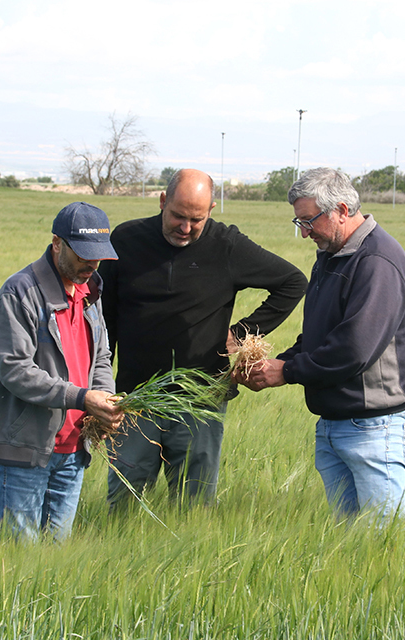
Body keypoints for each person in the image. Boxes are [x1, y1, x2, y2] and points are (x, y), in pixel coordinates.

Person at [98, 168, 307, 508]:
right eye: (178, 216)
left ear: (211, 209)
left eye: (196, 219)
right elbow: (105, 320)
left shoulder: (226, 245)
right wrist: (102, 385)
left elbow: (292, 282)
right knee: (125, 495)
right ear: (163, 201)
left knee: (194, 503)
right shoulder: (125, 240)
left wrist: (240, 335)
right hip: (136, 397)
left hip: (200, 400)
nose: (185, 228)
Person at [238, 167, 405, 521]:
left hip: (375, 425)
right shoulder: (332, 254)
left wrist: (288, 370)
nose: (305, 232)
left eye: (309, 221)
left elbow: (353, 350)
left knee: (377, 546)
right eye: (299, 223)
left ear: (341, 210)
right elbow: (321, 336)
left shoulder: (376, 262)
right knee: (348, 547)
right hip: (337, 422)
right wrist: (274, 363)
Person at [0, 202, 124, 541]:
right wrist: (81, 397)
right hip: (26, 453)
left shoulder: (91, 292)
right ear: (57, 243)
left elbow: (100, 357)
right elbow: (15, 370)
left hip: (74, 450)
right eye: (82, 254)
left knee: (55, 557)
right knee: (20, 558)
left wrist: (104, 404)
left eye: (98, 255)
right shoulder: (20, 293)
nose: (91, 263)